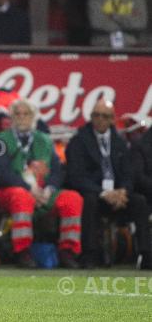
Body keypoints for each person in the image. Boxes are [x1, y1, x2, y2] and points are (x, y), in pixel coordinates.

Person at [0, 99, 82, 268]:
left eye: (26, 114)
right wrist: (29, 189)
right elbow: (3, 174)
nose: (22, 117)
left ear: (34, 117)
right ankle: (22, 251)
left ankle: (67, 251)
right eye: (17, 114)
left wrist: (48, 189)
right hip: (12, 192)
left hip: (43, 192)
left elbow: (57, 171)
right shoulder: (0, 140)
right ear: (11, 117)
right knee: (21, 196)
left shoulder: (45, 140)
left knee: (72, 198)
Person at [65, 99, 152, 269]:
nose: (100, 120)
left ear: (112, 119)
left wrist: (123, 191)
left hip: (117, 194)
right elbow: (76, 176)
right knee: (88, 201)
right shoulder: (79, 141)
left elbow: (129, 173)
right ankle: (90, 254)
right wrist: (103, 193)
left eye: (104, 116)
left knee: (140, 201)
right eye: (96, 115)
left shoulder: (119, 142)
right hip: (94, 193)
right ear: (90, 117)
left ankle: (146, 254)